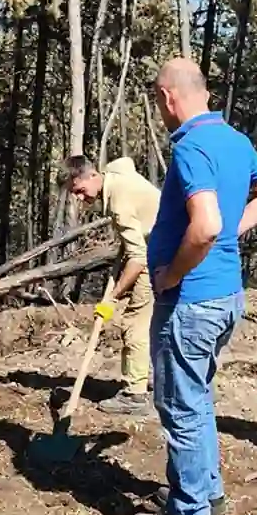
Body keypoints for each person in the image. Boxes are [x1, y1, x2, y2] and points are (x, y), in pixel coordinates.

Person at [133, 58, 257, 515]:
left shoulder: (192, 147)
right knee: (196, 398)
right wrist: (230, 234)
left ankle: (189, 512)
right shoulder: (234, 140)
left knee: (180, 404)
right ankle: (206, 490)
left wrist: (170, 275)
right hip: (225, 297)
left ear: (167, 98)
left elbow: (206, 225)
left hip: (192, 301)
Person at [61, 155, 161, 415]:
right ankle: (173, 382)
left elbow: (138, 258)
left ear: (93, 176)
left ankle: (135, 395)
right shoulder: (116, 174)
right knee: (160, 320)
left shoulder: (119, 202)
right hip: (165, 245)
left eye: (81, 191)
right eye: (76, 195)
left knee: (134, 323)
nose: (82, 199)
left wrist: (112, 298)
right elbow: (125, 162)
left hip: (158, 253)